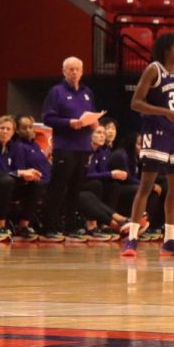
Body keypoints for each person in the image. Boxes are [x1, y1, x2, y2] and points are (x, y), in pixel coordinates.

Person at [121, 33, 174, 257]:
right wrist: (165, 113)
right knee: (146, 185)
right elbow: (135, 103)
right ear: (165, 50)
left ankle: (170, 240)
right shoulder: (154, 69)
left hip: (173, 134)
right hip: (155, 131)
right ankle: (132, 238)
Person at [40, 57, 104, 243]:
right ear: (64, 71)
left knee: (76, 188)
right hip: (65, 147)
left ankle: (71, 227)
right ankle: (49, 227)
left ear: (82, 71)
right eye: (70, 69)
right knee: (58, 187)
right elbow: (47, 118)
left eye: (77, 69)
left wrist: (94, 122)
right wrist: (69, 123)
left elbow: (90, 115)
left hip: (83, 147)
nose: (74, 72)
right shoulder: (56, 92)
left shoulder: (87, 92)